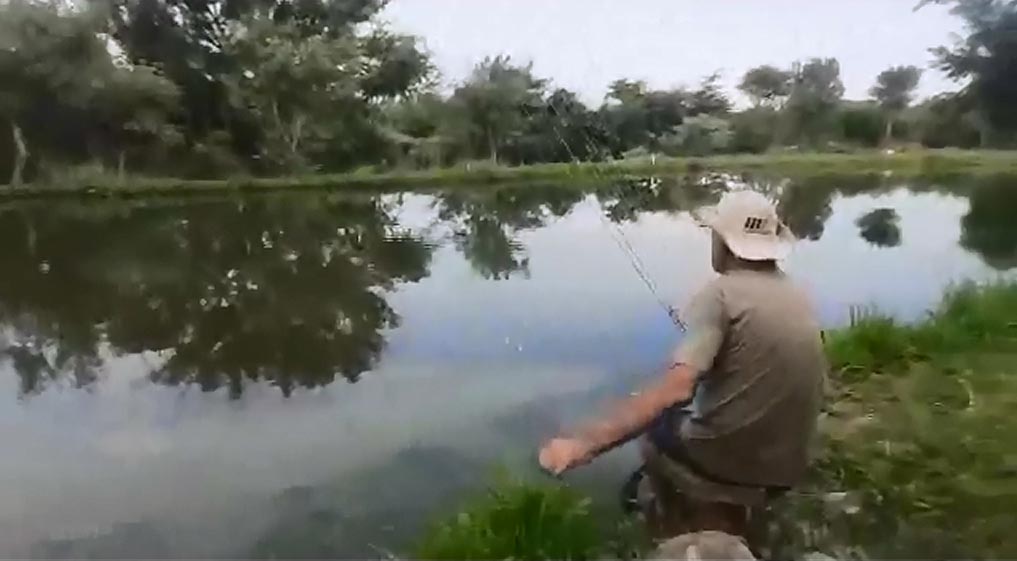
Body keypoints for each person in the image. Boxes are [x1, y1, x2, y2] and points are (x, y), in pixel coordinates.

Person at [538, 190, 827, 538]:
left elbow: (676, 390)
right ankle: (735, 509)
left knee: (655, 434)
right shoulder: (798, 294)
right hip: (789, 467)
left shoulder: (719, 295)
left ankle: (685, 524)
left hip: (738, 468)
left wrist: (583, 444)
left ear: (722, 241)